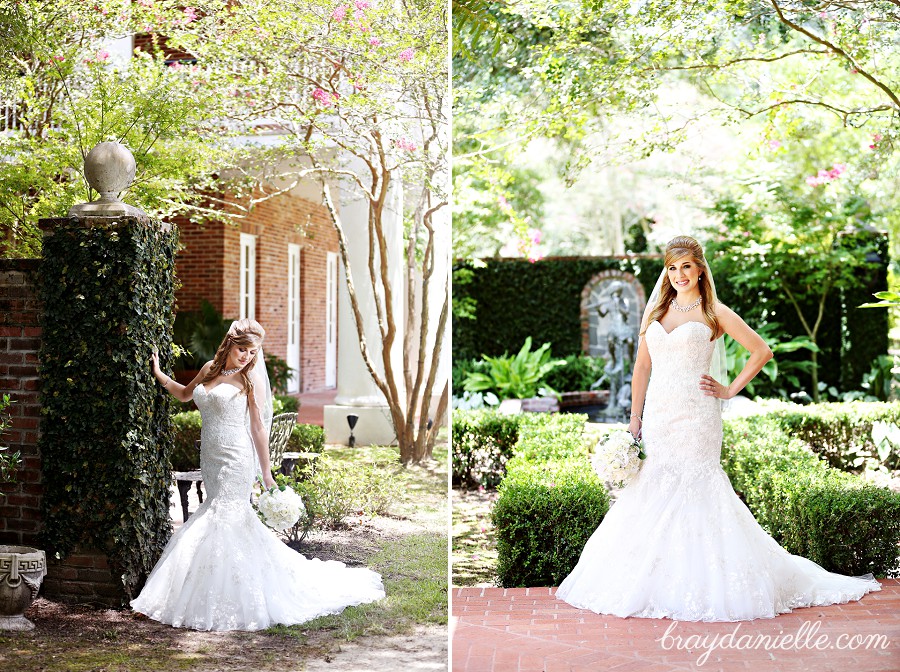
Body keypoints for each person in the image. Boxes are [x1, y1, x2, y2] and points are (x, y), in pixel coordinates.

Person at [556, 235, 881, 621]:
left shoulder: (715, 312)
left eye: (686, 266)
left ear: (699, 268)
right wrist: (635, 418)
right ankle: (652, 581)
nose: (679, 274)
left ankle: (712, 581)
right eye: (673, 267)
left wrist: (728, 389)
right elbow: (642, 367)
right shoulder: (655, 313)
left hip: (697, 417)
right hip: (660, 416)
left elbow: (761, 351)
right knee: (654, 487)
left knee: (698, 487)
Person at [131, 319, 385, 631]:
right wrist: (158, 374)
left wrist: (266, 474)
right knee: (213, 511)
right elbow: (185, 395)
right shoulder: (210, 369)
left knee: (226, 516)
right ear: (230, 344)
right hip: (211, 456)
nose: (247, 357)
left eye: (253, 352)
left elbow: (258, 427)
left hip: (237, 457)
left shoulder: (251, 380)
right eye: (243, 349)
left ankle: (234, 596)